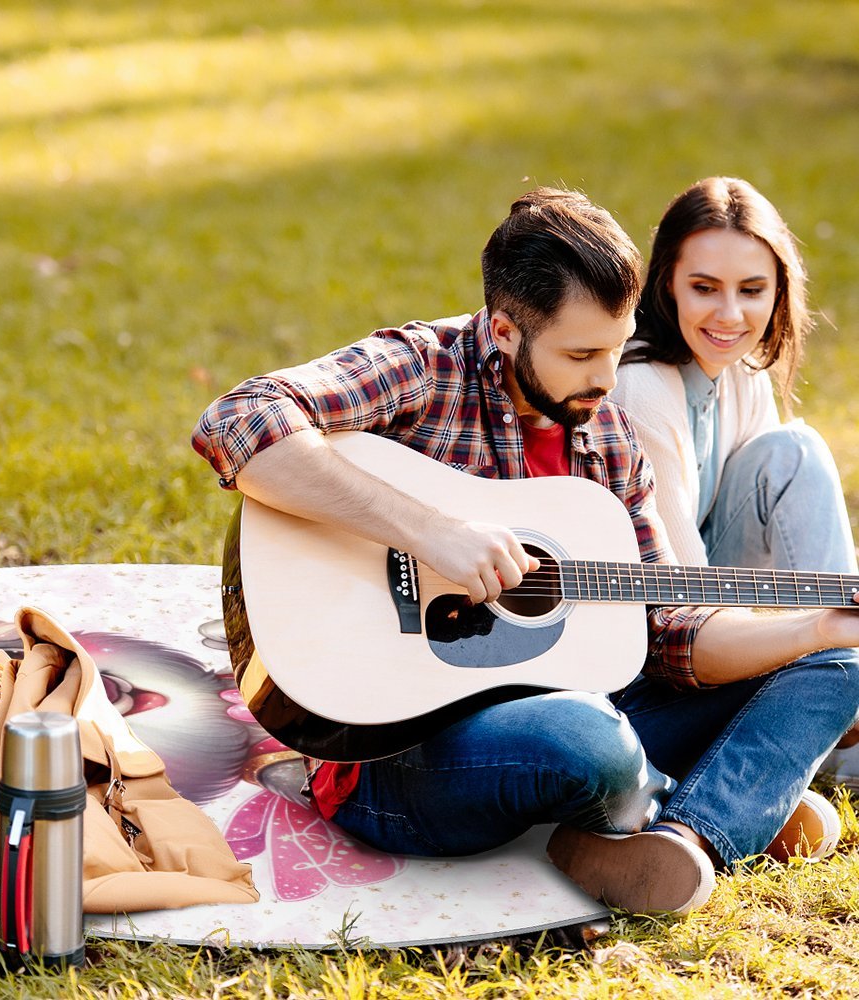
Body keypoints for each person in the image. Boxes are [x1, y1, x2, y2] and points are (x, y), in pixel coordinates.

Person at [192, 187, 859, 916]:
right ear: (505, 330)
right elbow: (239, 419)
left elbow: (668, 629)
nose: (607, 380)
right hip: (396, 755)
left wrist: (816, 628)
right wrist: (428, 531)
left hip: (583, 709)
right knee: (588, 741)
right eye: (581, 354)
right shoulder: (423, 367)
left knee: (840, 665)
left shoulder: (607, 436)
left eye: (616, 346)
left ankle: (689, 836)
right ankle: (719, 795)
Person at [612, 176, 859, 816]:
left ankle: (835, 699)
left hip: (717, 602)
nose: (730, 315)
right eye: (704, 288)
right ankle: (836, 714)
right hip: (656, 642)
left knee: (792, 451)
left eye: (752, 290)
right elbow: (681, 598)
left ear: (778, 291)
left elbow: (780, 539)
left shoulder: (742, 374)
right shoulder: (642, 388)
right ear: (666, 282)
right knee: (795, 451)